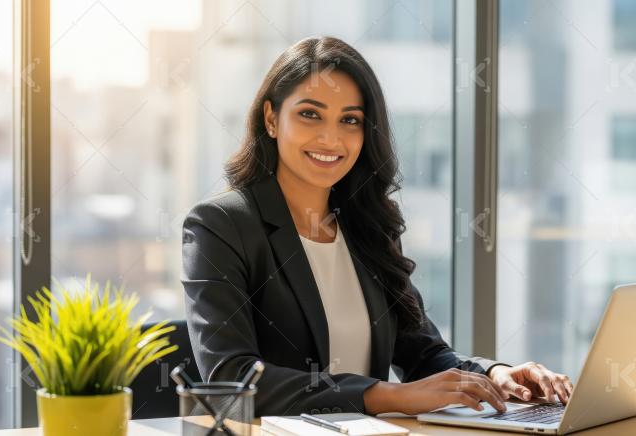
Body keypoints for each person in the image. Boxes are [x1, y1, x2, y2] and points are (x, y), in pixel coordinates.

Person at [182, 36, 573, 417]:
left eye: (349, 120)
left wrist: (495, 375)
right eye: (310, 114)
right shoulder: (221, 226)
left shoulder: (367, 225)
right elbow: (231, 380)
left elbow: (423, 353)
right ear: (271, 118)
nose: (330, 137)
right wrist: (387, 395)